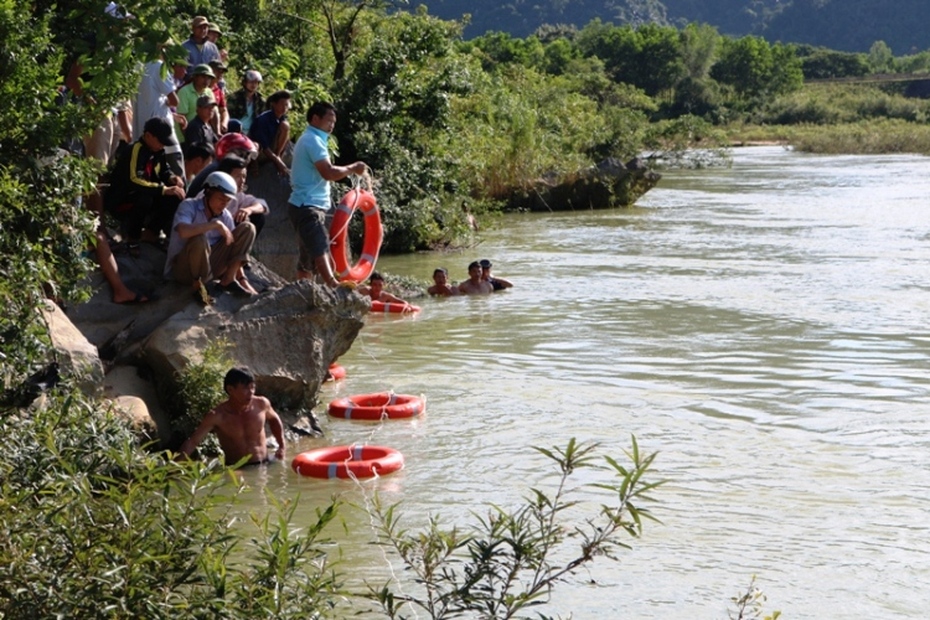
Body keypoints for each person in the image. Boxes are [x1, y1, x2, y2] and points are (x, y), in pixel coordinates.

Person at [289, 101, 367, 286]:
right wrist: (352, 168)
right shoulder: (312, 140)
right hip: (307, 205)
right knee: (320, 247)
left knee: (307, 255)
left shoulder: (314, 138)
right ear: (315, 118)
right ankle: (333, 284)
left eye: (334, 121)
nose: (332, 125)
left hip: (304, 205)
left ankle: (304, 291)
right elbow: (329, 172)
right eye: (329, 120)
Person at [164, 171, 257, 300]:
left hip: (210, 267)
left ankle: (228, 280)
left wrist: (242, 278)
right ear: (208, 192)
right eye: (221, 198)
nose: (224, 204)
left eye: (228, 200)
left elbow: (233, 245)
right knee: (199, 238)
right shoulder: (189, 206)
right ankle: (198, 287)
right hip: (184, 269)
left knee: (248, 228)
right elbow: (183, 231)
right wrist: (214, 225)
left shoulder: (225, 216)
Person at [104, 117, 186, 252]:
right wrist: (163, 189)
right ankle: (133, 238)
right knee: (144, 198)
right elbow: (134, 179)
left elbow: (164, 170)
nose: (162, 145)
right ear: (148, 136)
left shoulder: (158, 151)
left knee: (176, 196)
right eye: (160, 141)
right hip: (124, 198)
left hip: (147, 191)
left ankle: (151, 233)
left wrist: (172, 178)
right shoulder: (135, 149)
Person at [179, 366, 285, 465]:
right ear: (230, 389)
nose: (251, 392)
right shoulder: (217, 416)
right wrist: (172, 469)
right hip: (238, 470)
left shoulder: (261, 404)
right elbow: (192, 442)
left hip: (265, 462)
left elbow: (274, 419)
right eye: (245, 388)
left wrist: (281, 446)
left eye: (252, 387)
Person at [218, 155, 270, 239]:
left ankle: (241, 250)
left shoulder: (238, 195)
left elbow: (262, 205)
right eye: (238, 176)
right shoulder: (211, 193)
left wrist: (248, 210)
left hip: (227, 239)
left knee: (258, 217)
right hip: (212, 240)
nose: (242, 181)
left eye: (244, 176)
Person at [249, 89, 291, 177]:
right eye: (282, 104)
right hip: (259, 151)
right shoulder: (263, 120)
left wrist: (277, 157)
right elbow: (264, 146)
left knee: (285, 126)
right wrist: (276, 161)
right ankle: (254, 165)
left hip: (272, 150)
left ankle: (278, 155)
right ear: (274, 104)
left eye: (286, 105)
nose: (284, 108)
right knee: (255, 145)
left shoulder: (282, 119)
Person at [227, 69, 265, 136]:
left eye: (256, 82)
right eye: (251, 82)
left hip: (252, 133)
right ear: (245, 82)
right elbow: (229, 116)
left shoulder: (260, 100)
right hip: (236, 131)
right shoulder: (234, 97)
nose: (253, 85)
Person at [208, 59, 229, 134]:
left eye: (222, 72)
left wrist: (224, 122)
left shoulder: (218, 90)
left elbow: (223, 110)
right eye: (217, 71)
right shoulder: (202, 88)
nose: (220, 74)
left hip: (217, 125)